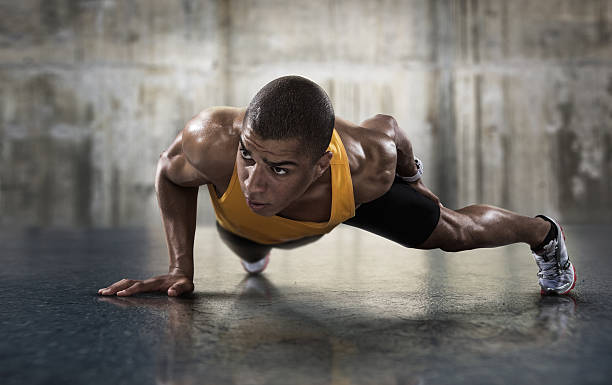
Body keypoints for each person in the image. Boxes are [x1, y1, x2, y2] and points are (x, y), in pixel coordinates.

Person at [98, 75, 576, 298]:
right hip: (247, 228)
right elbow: (169, 173)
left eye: (279, 169)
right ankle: (252, 243)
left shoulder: (369, 166)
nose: (253, 182)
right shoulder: (211, 142)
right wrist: (181, 267)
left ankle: (543, 233)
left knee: (454, 234)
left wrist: (415, 181)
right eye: (249, 156)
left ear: (321, 164)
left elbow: (389, 127)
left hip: (342, 203)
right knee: (246, 233)